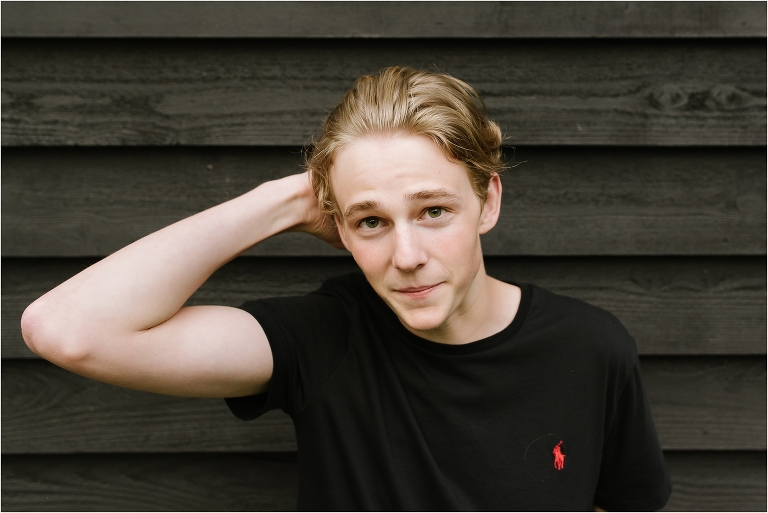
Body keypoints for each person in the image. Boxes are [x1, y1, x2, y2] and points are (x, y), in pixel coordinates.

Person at [21, 66, 672, 511]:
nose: (407, 255)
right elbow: (65, 329)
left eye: (433, 211)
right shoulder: (327, 337)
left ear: (488, 200)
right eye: (371, 221)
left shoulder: (591, 348)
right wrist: (284, 202)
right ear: (337, 228)